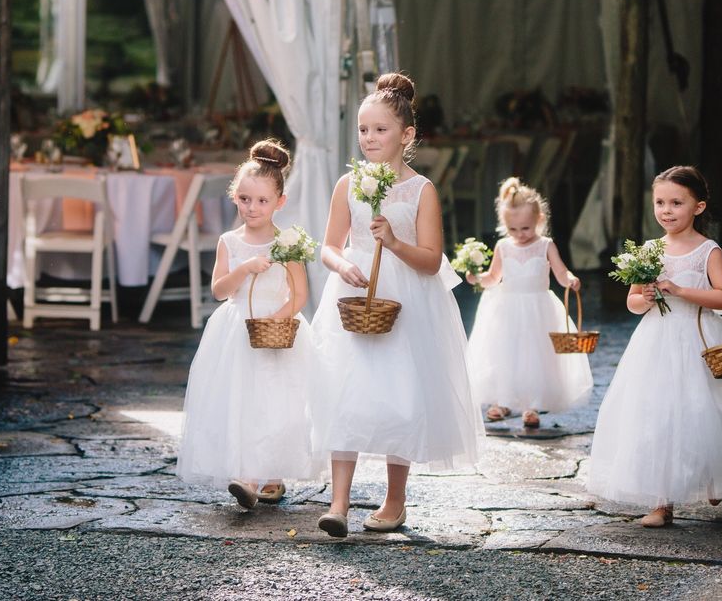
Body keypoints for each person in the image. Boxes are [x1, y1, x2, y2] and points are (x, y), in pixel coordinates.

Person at [309, 73, 481, 537]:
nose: (369, 138)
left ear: (406, 135)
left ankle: (394, 499)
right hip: (354, 294)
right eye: (364, 130)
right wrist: (341, 265)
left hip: (404, 297)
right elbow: (328, 245)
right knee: (344, 392)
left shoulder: (421, 190)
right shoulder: (349, 183)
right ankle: (338, 503)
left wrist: (396, 242)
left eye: (380, 129)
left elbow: (430, 260)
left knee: (399, 397)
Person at [587, 165, 722, 527]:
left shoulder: (707, 250)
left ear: (698, 207)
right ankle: (662, 502)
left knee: (707, 411)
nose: (666, 210)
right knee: (656, 415)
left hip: (699, 340)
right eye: (660, 202)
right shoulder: (649, 250)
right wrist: (645, 296)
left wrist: (680, 290)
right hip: (657, 342)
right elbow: (632, 303)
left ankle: (712, 472)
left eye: (676, 202)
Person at [177, 139, 317, 508]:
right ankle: (247, 475)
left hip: (276, 329)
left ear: (279, 202)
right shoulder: (229, 241)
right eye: (244, 199)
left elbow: (300, 293)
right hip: (237, 330)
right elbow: (220, 290)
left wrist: (279, 318)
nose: (252, 208)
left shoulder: (287, 242)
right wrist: (243, 268)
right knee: (242, 400)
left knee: (277, 400)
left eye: (261, 201)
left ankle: (273, 473)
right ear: (234, 196)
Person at [465, 177, 594, 429]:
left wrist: (570, 280)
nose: (520, 235)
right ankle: (502, 400)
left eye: (525, 228)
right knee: (505, 355)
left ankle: (531, 405)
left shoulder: (546, 245)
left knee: (535, 357)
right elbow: (493, 278)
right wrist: (476, 278)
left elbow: (560, 272)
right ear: (504, 225)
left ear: (539, 220)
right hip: (507, 309)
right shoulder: (503, 246)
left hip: (537, 309)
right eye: (513, 229)